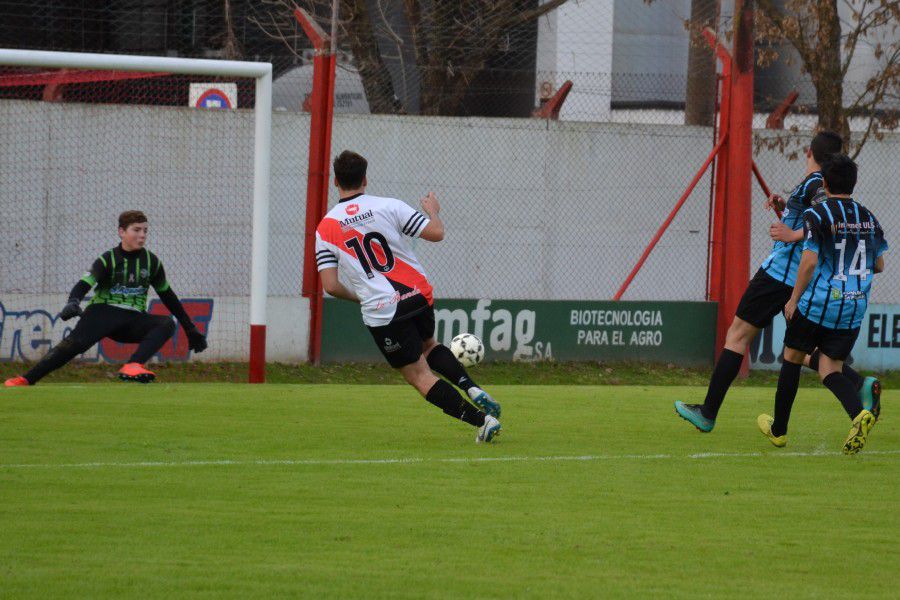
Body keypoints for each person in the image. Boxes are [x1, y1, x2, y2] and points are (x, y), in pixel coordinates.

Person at [674, 131, 879, 431]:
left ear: (809, 152)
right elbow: (816, 218)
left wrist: (792, 234)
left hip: (780, 274)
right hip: (800, 277)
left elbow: (824, 220)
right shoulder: (818, 185)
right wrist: (787, 210)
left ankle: (708, 412)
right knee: (797, 351)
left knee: (737, 335)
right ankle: (858, 383)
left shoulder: (816, 184)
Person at [315, 150, 501, 443]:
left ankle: (483, 420)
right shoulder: (389, 206)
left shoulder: (325, 229)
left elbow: (331, 286)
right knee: (429, 345)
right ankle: (471, 386)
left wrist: (361, 297)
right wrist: (433, 211)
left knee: (419, 376)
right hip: (417, 294)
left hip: (383, 310)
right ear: (365, 179)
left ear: (335, 182)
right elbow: (437, 233)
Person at [758, 154, 886, 454]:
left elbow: (810, 260)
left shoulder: (817, 214)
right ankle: (859, 414)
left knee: (791, 357)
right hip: (853, 307)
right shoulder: (869, 217)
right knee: (830, 368)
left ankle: (779, 430)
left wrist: (793, 299)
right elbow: (878, 265)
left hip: (820, 303)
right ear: (853, 184)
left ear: (824, 183)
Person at [4, 210, 207, 386]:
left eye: (145, 230)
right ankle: (26, 379)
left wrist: (189, 328)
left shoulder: (152, 262)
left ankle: (133, 365)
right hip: (103, 312)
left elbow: (168, 296)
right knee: (71, 346)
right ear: (122, 232)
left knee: (165, 323)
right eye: (136, 230)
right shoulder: (107, 259)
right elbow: (84, 283)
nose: (142, 235)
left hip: (132, 318)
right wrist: (73, 301)